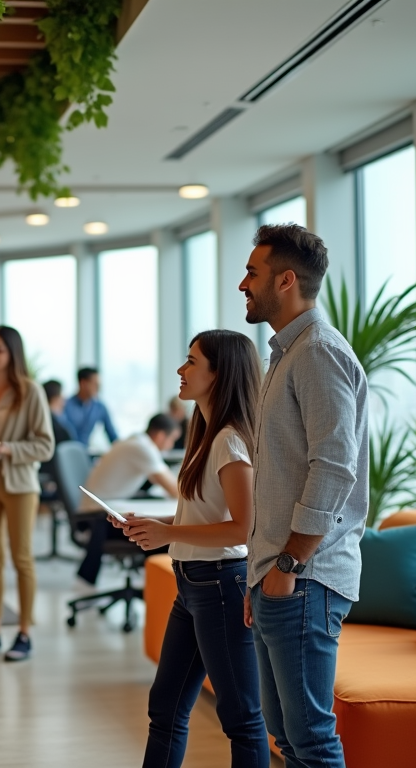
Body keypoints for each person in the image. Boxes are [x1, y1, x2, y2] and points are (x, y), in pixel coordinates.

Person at [240, 223, 369, 768]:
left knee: (312, 741)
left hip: (305, 577)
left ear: (286, 280)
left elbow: (333, 471)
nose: (243, 284)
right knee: (289, 741)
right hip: (280, 575)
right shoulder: (285, 355)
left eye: (252, 273)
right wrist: (260, 573)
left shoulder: (318, 353)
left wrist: (289, 563)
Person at [116, 331, 269, 768]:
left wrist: (169, 536)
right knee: (165, 707)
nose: (181, 371)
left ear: (219, 374)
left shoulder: (229, 441)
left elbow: (244, 527)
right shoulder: (205, 432)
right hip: (193, 585)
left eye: (191, 361)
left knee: (242, 718)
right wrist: (154, 526)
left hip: (221, 585)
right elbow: (201, 519)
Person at [0, 326, 55, 662]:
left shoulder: (29, 392)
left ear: (12, 355)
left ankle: (24, 634)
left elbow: (45, 445)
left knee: (21, 559)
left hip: (18, 484)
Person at [75, 413, 180, 585]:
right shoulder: (143, 448)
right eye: (172, 440)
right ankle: (161, 589)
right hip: (97, 519)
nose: (171, 445)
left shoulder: (135, 441)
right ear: (161, 436)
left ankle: (156, 587)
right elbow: (175, 491)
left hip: (101, 510)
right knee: (166, 533)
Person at [64, 367, 118, 446]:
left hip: (86, 453)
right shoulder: (66, 406)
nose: (98, 388)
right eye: (95, 384)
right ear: (83, 383)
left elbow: (113, 436)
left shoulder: (100, 407)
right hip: (68, 454)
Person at [42, 379, 77, 444]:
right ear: (55, 398)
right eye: (62, 395)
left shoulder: (40, 420)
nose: (64, 401)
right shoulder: (61, 430)